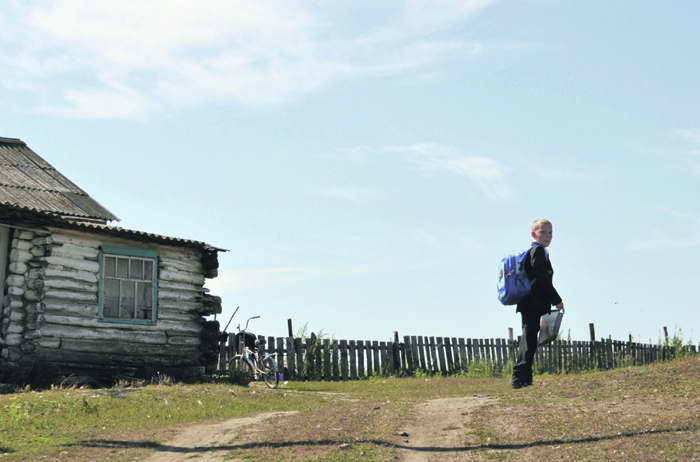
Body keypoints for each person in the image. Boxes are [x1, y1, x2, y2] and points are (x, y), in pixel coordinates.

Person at [511, 219, 564, 389]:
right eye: (543, 232)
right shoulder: (537, 252)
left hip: (532, 302)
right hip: (531, 303)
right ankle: (518, 378)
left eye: (550, 233)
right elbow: (542, 278)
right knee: (529, 339)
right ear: (534, 234)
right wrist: (557, 300)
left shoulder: (538, 252)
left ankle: (525, 378)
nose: (548, 236)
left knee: (531, 340)